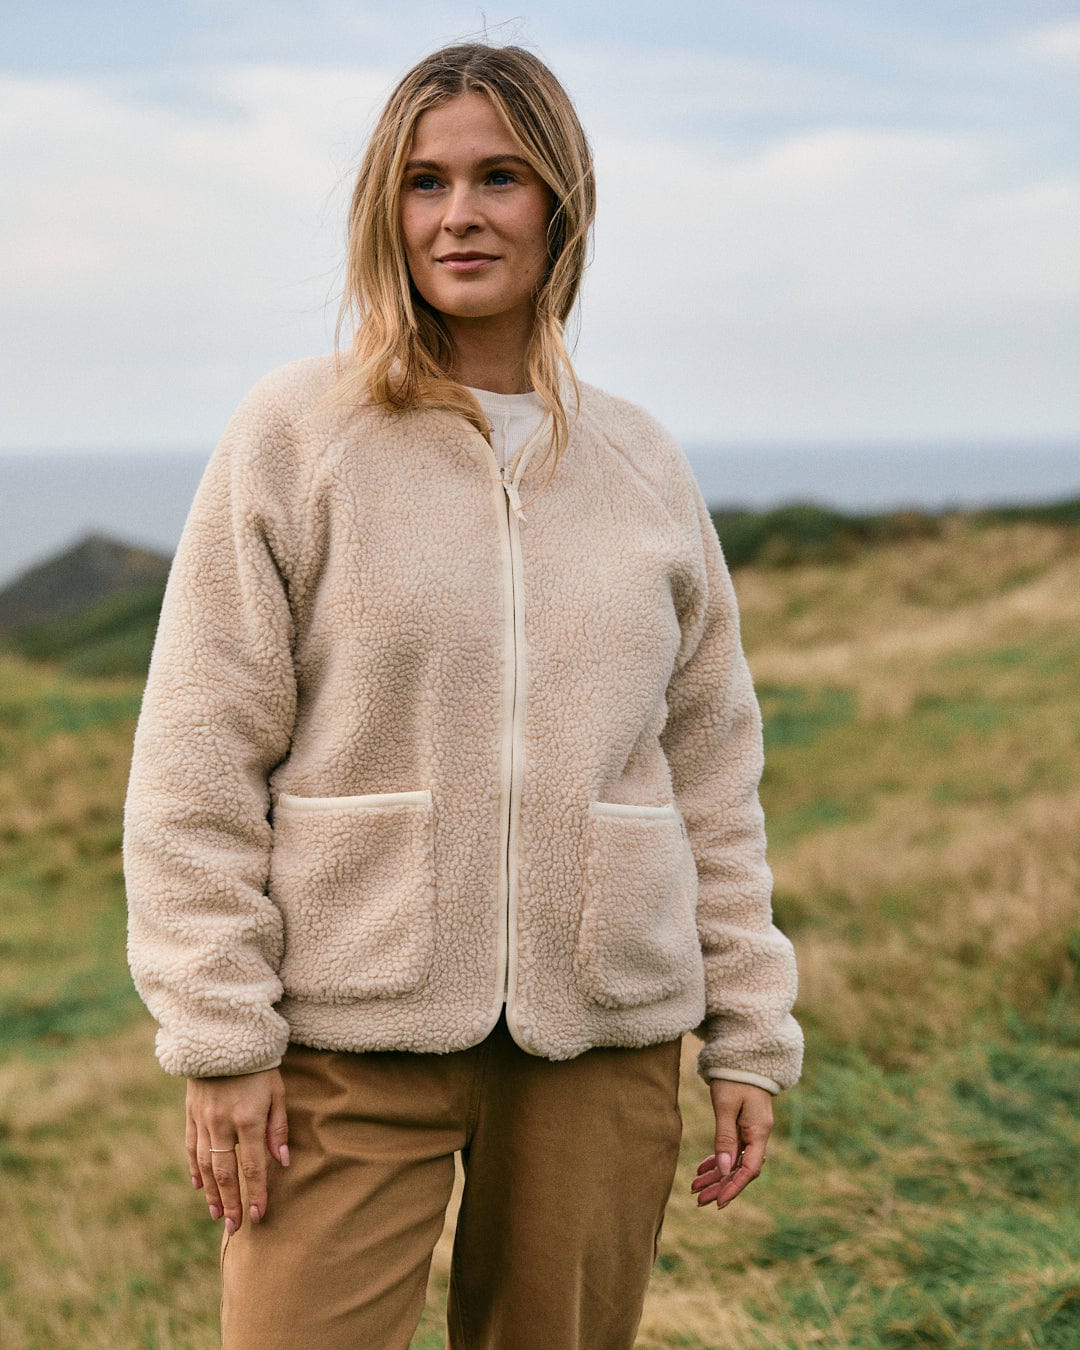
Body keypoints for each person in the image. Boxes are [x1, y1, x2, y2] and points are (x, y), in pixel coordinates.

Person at [123, 41, 803, 1350]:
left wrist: (749, 1031)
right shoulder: (295, 433)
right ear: (387, 209)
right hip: (344, 1037)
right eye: (425, 182)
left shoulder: (642, 462)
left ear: (560, 202)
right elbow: (200, 755)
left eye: (500, 177)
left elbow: (712, 770)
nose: (460, 216)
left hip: (603, 1040)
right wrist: (221, 1037)